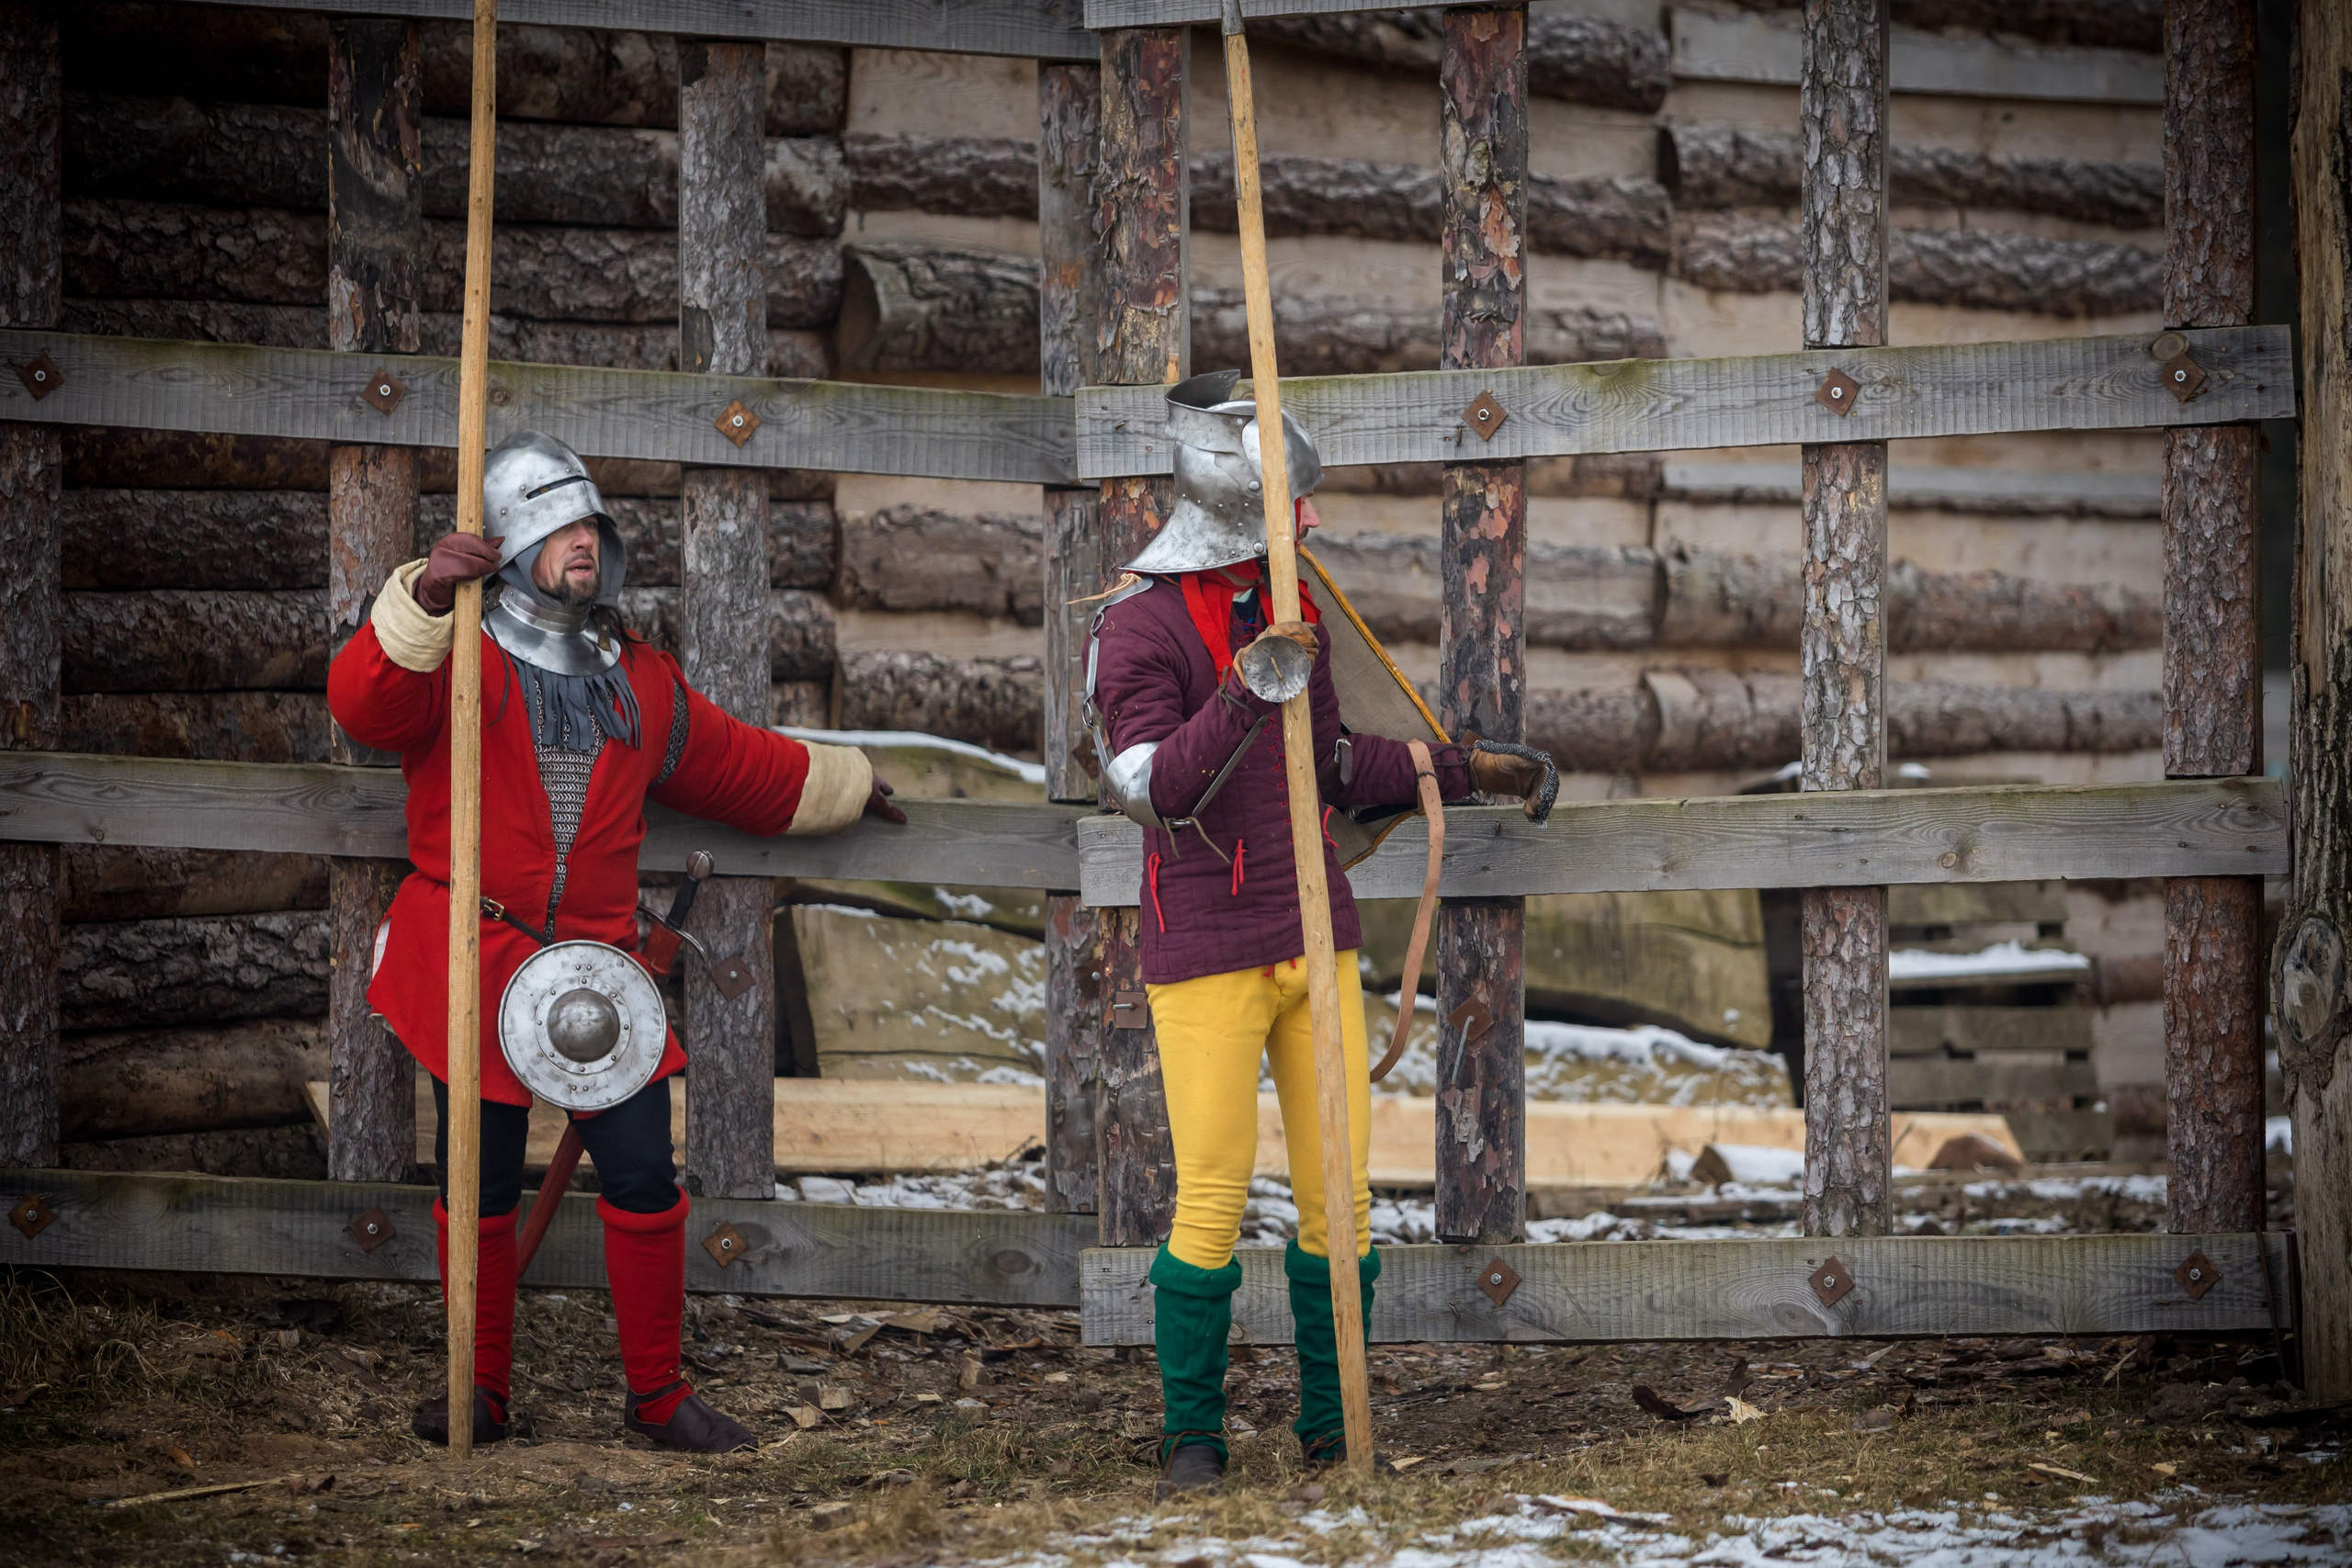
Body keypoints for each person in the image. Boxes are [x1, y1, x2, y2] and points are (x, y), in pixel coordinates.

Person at [328, 430, 903, 1453]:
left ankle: (655, 1400)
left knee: (643, 1174)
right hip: (475, 953)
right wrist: (418, 602)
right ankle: (480, 1393)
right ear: (509, 543)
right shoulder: (455, 655)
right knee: (481, 1180)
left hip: (597, 970)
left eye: (590, 523)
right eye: (557, 525)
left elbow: (740, 767)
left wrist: (849, 787)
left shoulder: (636, 679)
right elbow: (364, 706)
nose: (581, 540)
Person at [1085, 373, 1555, 1495]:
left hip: (1316, 930)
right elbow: (1154, 790)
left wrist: (1458, 770)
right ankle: (1191, 1441)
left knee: (1340, 1197)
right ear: (1243, 501)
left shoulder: (1283, 608)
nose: (1310, 522)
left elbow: (1336, 765)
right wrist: (1251, 687)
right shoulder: (1134, 624)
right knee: (1210, 1196)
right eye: (1293, 502)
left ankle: (1333, 1426)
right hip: (1205, 945)